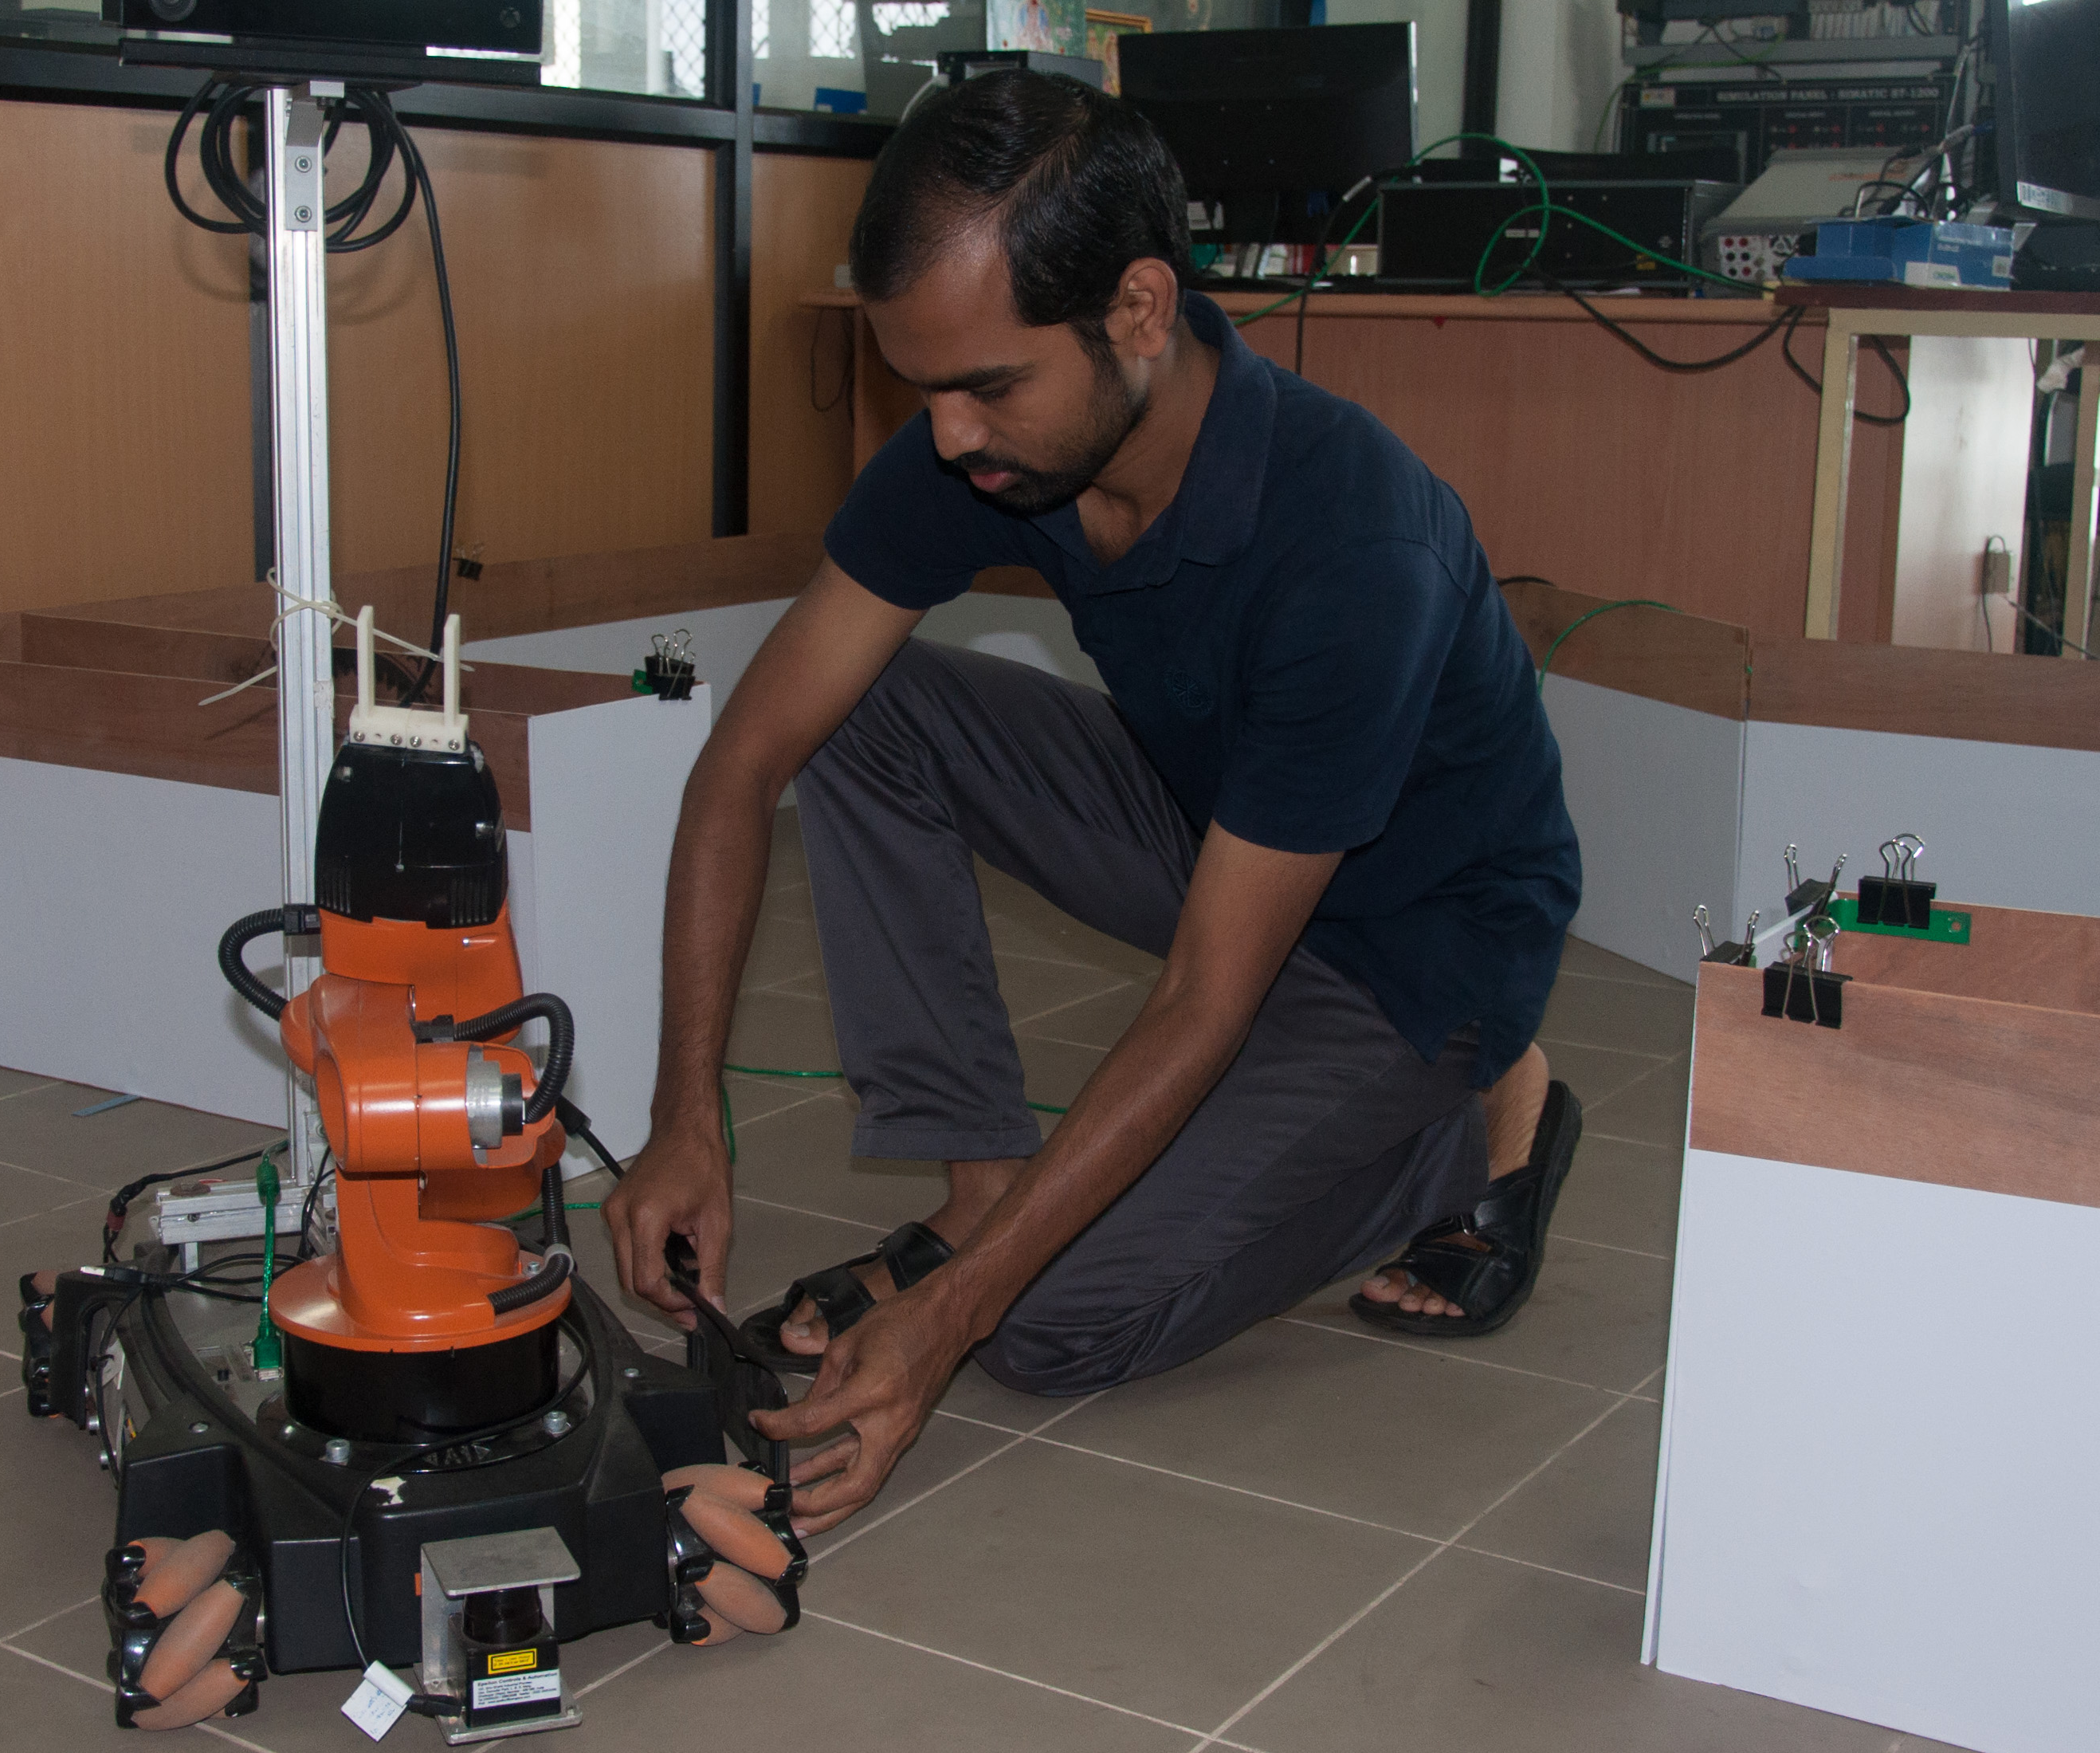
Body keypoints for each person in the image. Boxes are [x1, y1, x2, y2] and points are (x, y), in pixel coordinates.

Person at [601, 70, 1583, 1539]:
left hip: (1413, 948)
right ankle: (978, 1182)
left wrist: (949, 1323)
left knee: (1047, 1329)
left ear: (1138, 308)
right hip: (1225, 830)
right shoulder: (993, 447)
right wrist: (687, 1117)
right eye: (920, 386)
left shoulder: (1351, 549)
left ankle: (1472, 1120)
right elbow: (744, 756)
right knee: (871, 707)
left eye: (988, 384)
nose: (943, 437)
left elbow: (1201, 997)